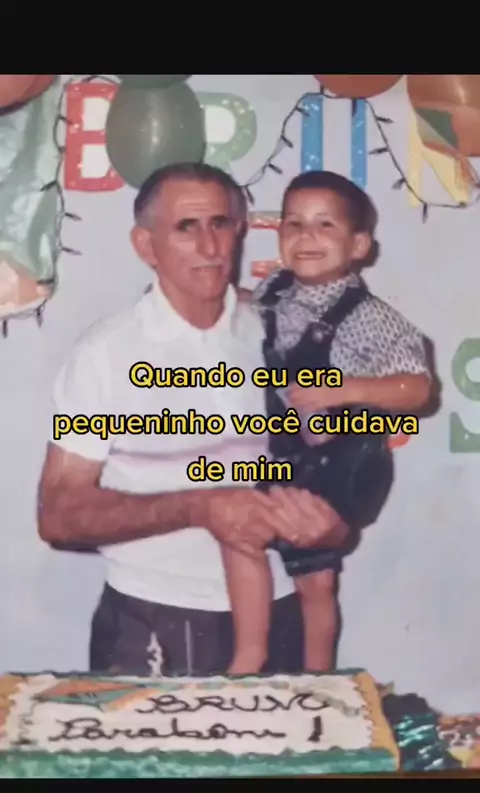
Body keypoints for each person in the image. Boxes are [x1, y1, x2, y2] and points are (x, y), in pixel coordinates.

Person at [37, 162, 349, 678]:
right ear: (146, 245)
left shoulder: (281, 332)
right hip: (151, 618)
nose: (209, 246)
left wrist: (333, 525)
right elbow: (59, 514)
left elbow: (338, 461)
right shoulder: (105, 354)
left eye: (220, 224)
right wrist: (198, 507)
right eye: (186, 227)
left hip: (281, 610)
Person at [225, 170, 433, 675]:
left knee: (316, 581)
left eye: (325, 225)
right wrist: (222, 300)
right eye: (293, 224)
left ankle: (319, 679)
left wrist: (341, 390)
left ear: (359, 245)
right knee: (238, 532)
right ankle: (249, 655)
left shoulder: (371, 317)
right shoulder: (277, 289)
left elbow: (416, 389)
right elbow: (255, 313)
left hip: (340, 462)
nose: (306, 236)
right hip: (286, 453)